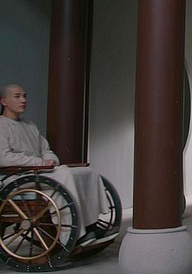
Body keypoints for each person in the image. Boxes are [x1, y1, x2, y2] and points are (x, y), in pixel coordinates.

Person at [0, 83, 111, 244]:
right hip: (16, 176)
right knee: (63, 175)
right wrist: (39, 162)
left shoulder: (29, 125)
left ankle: (91, 224)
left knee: (87, 172)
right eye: (17, 96)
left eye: (24, 96)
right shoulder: (2, 125)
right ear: (3, 101)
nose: (23, 100)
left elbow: (45, 149)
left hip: (38, 172)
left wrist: (50, 160)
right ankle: (73, 235)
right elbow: (4, 157)